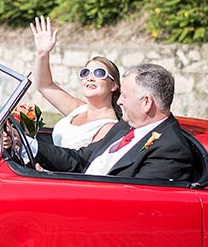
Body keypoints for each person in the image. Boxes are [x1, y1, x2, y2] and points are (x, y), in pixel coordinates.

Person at [11, 63, 195, 181]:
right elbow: (82, 159)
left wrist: (60, 184)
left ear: (146, 102)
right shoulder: (125, 126)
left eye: (124, 96)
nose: (119, 102)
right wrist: (26, 144)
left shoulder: (170, 150)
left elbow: (130, 201)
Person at [30, 16, 120, 149]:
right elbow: (45, 85)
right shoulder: (79, 109)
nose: (90, 78)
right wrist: (42, 53)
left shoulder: (109, 127)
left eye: (99, 73)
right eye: (85, 73)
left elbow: (83, 161)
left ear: (114, 85)